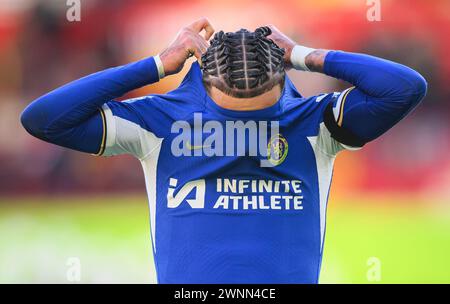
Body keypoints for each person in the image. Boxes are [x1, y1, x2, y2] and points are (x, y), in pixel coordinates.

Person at [20, 18, 427, 283]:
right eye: (230, 112)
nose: (246, 124)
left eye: (262, 109)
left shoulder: (318, 122)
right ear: (204, 84)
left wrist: (305, 56)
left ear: (283, 83)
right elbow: (43, 118)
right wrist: (157, 65)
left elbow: (407, 88)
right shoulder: (158, 122)